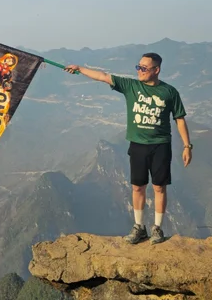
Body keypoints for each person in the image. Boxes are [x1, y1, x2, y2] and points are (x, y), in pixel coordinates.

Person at [63, 52, 191, 244]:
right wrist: (79, 69)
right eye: (138, 67)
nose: (139, 71)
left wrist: (187, 146)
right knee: (138, 186)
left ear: (156, 70)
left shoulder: (169, 92)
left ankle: (157, 228)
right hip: (138, 144)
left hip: (161, 145)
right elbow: (103, 76)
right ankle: (139, 227)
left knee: (159, 187)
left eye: (144, 68)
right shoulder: (131, 86)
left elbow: (179, 119)